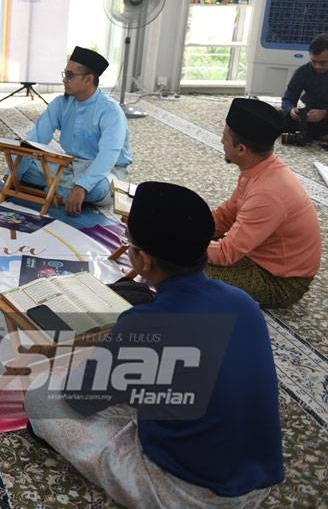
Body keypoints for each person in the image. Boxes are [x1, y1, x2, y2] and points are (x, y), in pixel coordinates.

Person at [25, 181, 284, 508]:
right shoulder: (242, 301)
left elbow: (79, 399)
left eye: (129, 244)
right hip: (259, 480)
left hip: (191, 495)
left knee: (40, 395)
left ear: (143, 260)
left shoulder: (143, 325)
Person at [206, 97, 320, 308]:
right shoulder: (258, 168)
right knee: (186, 252)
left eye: (224, 137)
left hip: (280, 282)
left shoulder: (267, 193)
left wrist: (177, 243)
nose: (221, 141)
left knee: (180, 268)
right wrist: (185, 227)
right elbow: (226, 216)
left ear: (241, 149)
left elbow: (226, 253)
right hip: (257, 255)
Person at [13, 46, 133, 216]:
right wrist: (12, 174)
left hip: (107, 171)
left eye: (70, 76)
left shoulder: (111, 112)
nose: (64, 80)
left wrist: (82, 186)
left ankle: (59, 189)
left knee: (96, 189)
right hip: (69, 165)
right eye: (65, 74)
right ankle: (62, 190)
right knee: (20, 163)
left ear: (88, 79)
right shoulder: (61, 103)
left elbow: (108, 157)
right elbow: (35, 140)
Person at [279, 32, 328, 146]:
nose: (317, 66)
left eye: (323, 63)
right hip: (308, 115)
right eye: (314, 62)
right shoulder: (304, 71)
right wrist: (291, 110)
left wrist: (325, 113)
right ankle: (316, 134)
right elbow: (288, 99)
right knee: (273, 117)